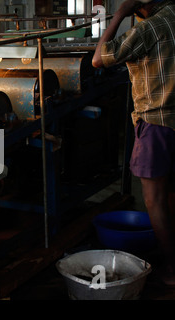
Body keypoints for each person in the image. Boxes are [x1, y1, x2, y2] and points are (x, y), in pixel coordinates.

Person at [92, 0, 175, 287]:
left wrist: (118, 16)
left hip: (157, 122)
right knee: (170, 193)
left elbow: (99, 58)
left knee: (154, 199)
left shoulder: (150, 27)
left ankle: (172, 270)